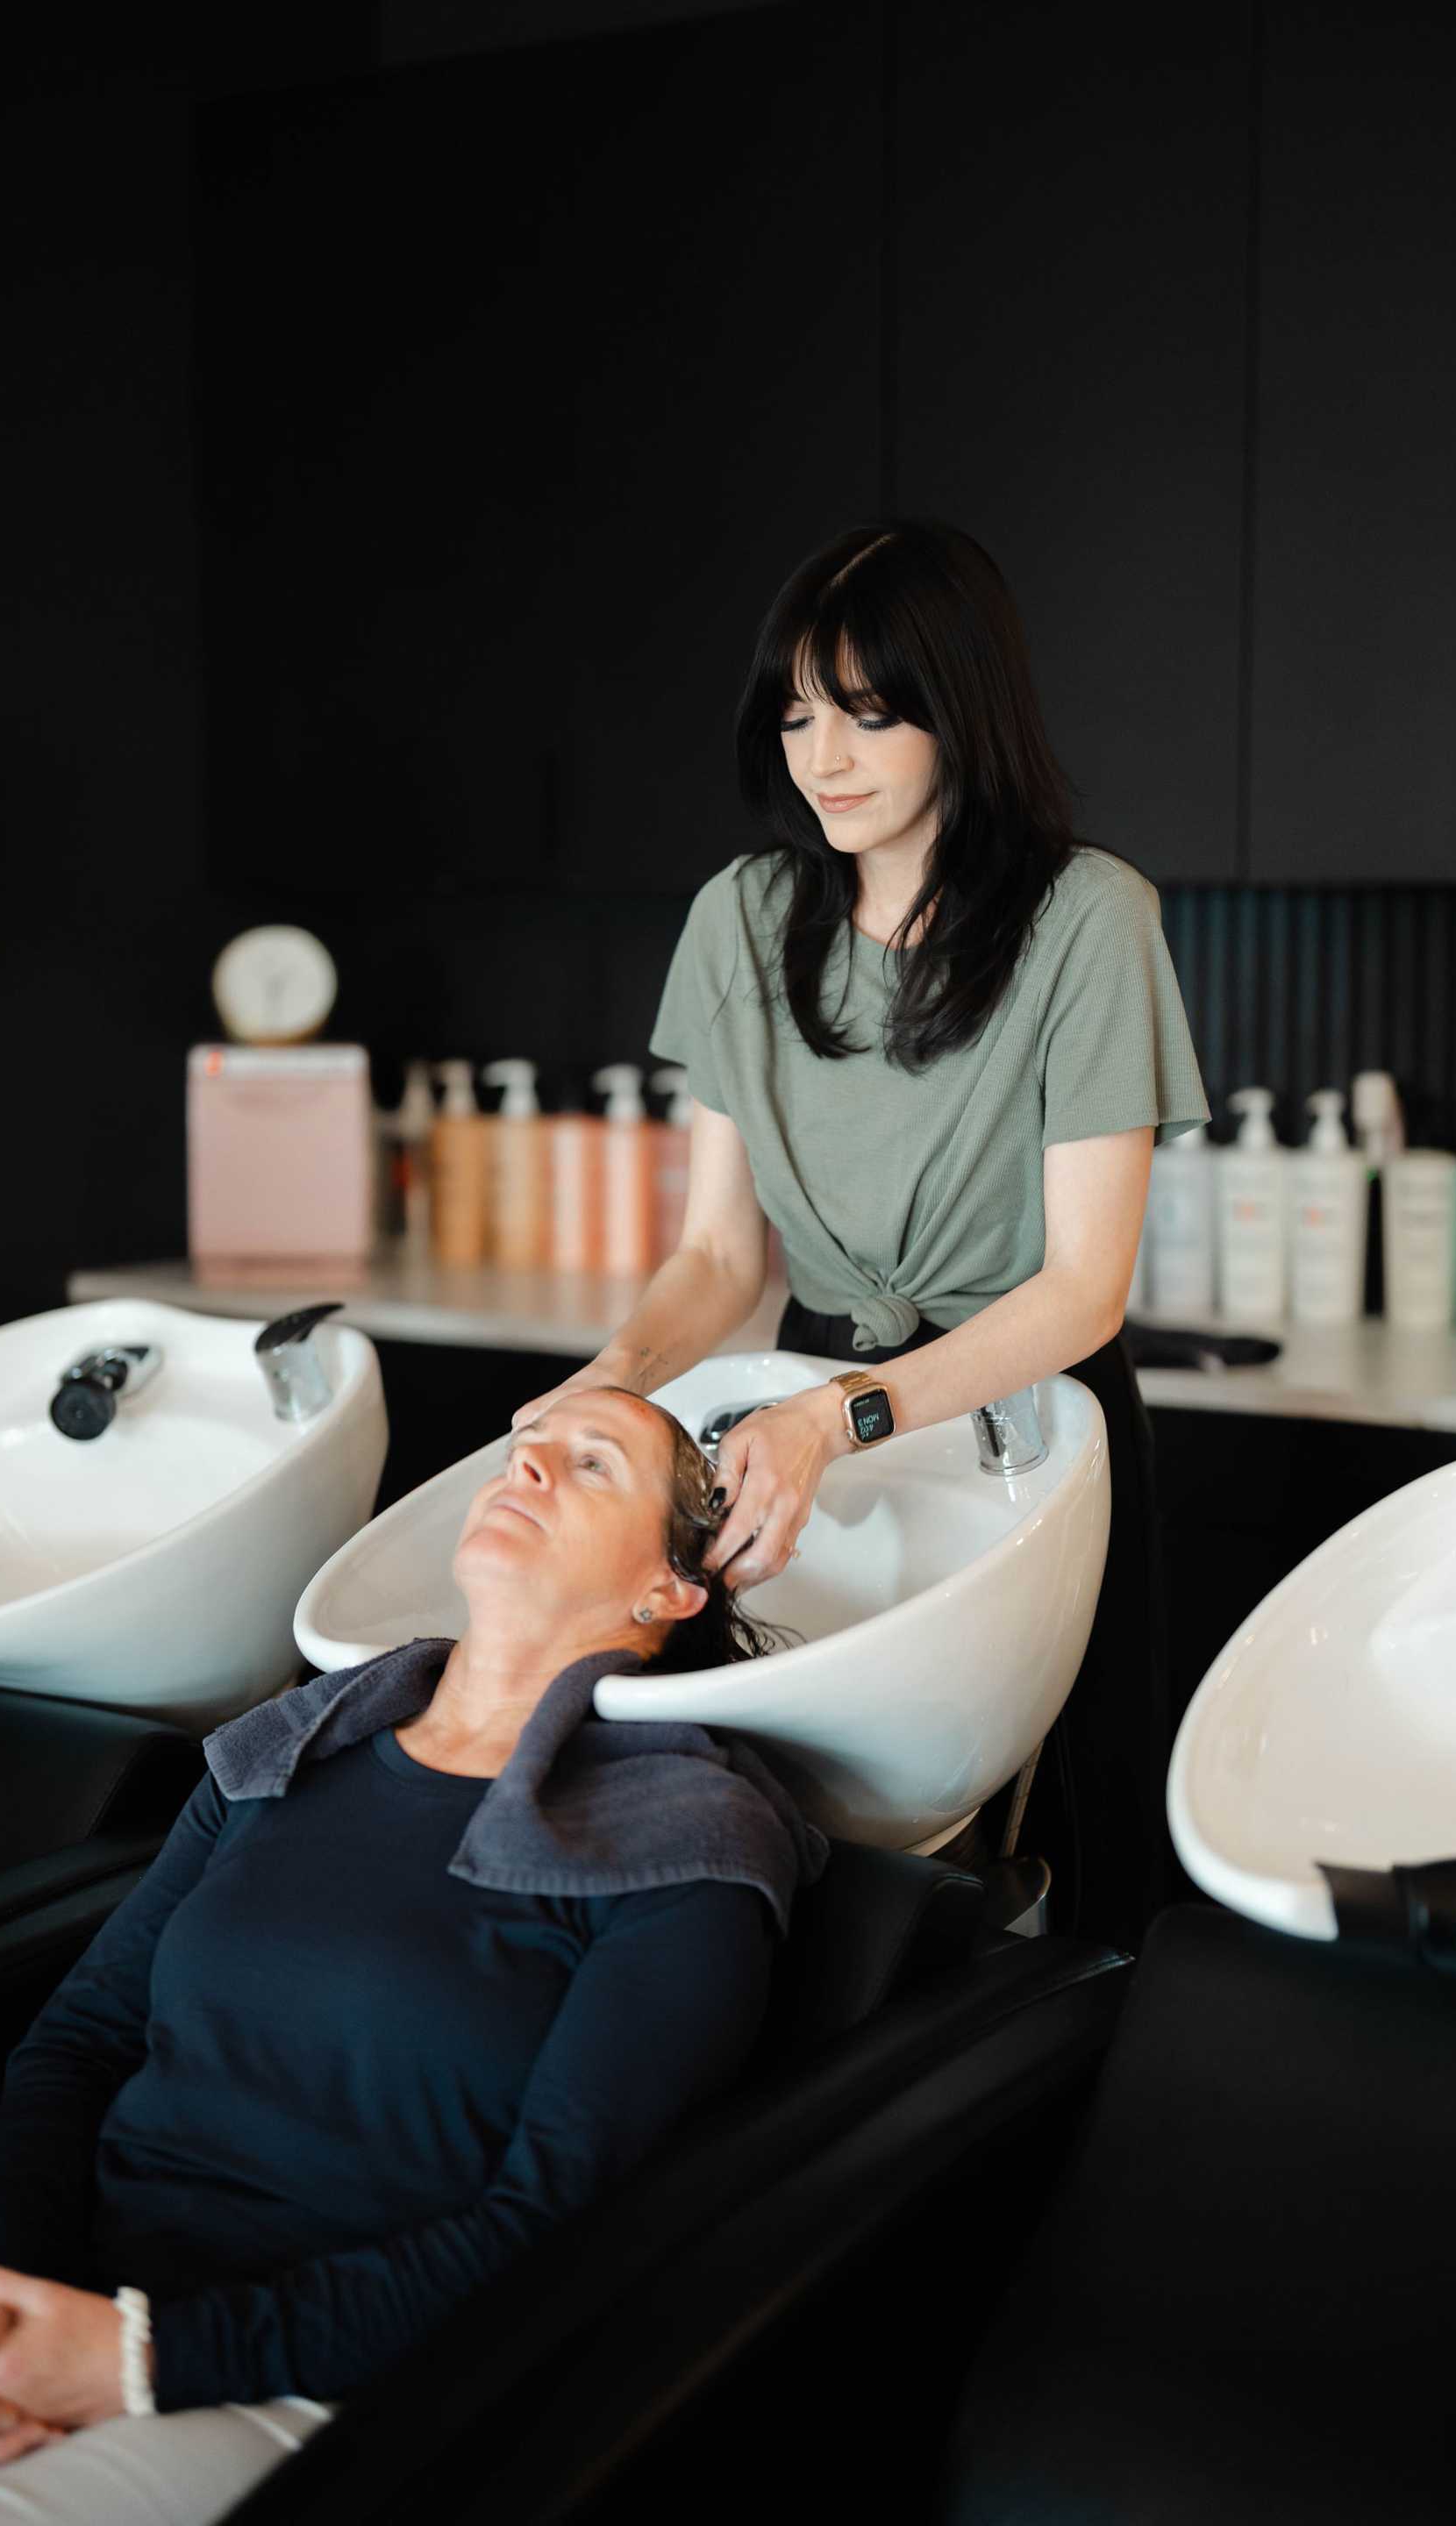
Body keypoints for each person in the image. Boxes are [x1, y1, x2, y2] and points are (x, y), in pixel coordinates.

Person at [0, 1389, 813, 2524]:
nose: (530, 1472)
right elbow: (76, 2043)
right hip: (56, 2302)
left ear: (669, 1588)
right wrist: (15, 2321)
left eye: (593, 1464)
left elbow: (551, 2224)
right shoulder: (290, 1749)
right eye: (523, 1452)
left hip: (318, 2388)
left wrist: (139, 2363)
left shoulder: (679, 1844)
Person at [517, 518, 1210, 1945]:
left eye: (868, 715)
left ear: (962, 712)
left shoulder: (1089, 920)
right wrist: (610, 1380)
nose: (820, 757)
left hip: (1030, 1425)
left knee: (1063, 1853)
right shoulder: (741, 918)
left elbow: (1084, 1289)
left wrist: (845, 1416)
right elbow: (719, 1259)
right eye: (795, 715)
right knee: (821, 1834)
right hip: (798, 1424)